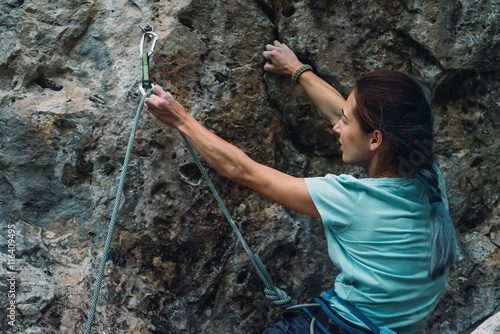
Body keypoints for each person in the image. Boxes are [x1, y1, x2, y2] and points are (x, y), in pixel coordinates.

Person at [144, 41, 458, 334]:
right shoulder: (430, 180)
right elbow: (344, 113)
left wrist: (181, 119)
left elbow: (242, 170)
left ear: (376, 139)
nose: (337, 126)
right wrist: (298, 70)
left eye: (346, 123)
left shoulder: (352, 200)